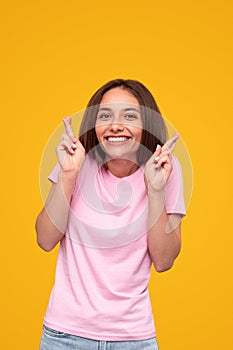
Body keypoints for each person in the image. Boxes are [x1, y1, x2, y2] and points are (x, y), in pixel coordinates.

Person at [36, 79, 186, 350]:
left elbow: (164, 260)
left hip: (134, 339)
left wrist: (155, 189)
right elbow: (45, 239)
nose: (115, 125)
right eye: (105, 116)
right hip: (64, 336)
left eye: (129, 116)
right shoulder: (76, 161)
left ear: (147, 126)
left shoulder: (166, 168)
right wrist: (68, 174)